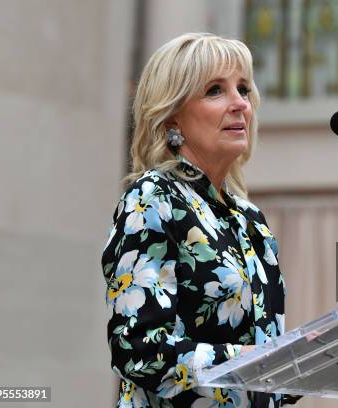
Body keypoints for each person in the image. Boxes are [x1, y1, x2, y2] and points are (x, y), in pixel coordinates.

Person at [101, 33, 299, 407]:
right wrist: (252, 362)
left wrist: (308, 363)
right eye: (215, 91)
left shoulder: (251, 221)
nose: (240, 103)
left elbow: (270, 362)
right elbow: (140, 351)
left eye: (243, 89)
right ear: (173, 116)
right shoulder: (155, 199)